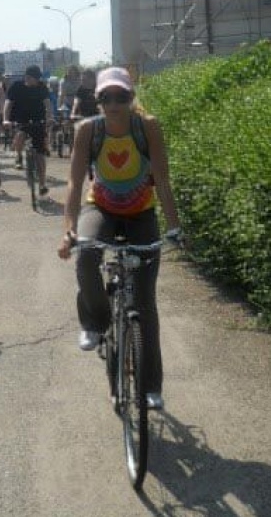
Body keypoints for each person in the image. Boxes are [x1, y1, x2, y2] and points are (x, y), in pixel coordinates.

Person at [57, 66, 182, 410]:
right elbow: (74, 182)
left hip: (142, 213)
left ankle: (151, 386)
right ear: (96, 100)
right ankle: (95, 322)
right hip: (103, 208)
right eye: (106, 97)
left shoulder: (148, 127)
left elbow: (162, 178)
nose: (114, 104)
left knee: (144, 302)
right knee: (86, 257)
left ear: (131, 97)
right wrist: (68, 228)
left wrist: (174, 227)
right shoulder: (88, 130)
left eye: (121, 96)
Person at [3, 64, 52, 196]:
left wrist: (50, 118)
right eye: (33, 78)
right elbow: (8, 104)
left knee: (40, 155)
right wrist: (5, 119)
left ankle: (42, 184)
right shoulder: (16, 87)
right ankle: (18, 157)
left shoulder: (42, 87)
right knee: (20, 134)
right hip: (20, 119)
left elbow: (47, 104)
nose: (36, 81)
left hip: (38, 121)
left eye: (37, 78)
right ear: (27, 77)